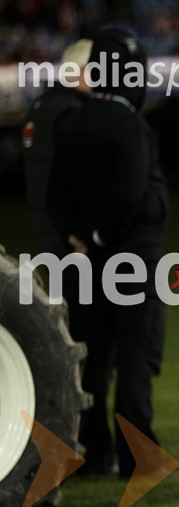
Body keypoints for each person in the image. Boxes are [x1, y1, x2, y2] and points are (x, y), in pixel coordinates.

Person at [47, 28, 170, 478]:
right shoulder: (132, 125)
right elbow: (131, 194)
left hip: (86, 265)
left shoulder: (71, 122)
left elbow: (55, 196)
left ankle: (95, 455)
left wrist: (78, 240)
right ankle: (139, 457)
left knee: (95, 360)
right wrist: (101, 237)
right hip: (132, 261)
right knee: (136, 359)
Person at [22, 39, 92, 338]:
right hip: (69, 232)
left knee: (65, 308)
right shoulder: (71, 112)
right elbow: (75, 177)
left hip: (46, 225)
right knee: (82, 319)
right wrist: (79, 231)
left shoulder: (40, 108)